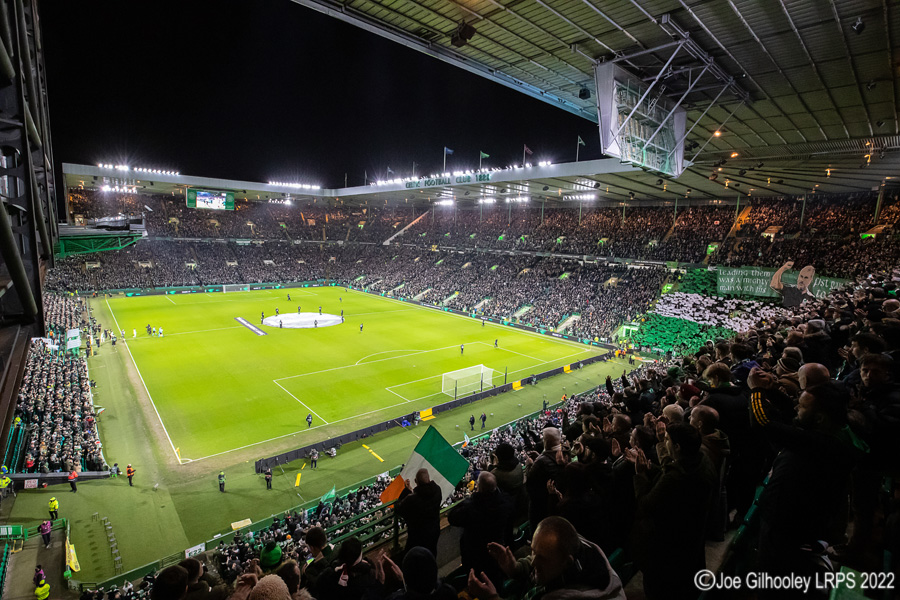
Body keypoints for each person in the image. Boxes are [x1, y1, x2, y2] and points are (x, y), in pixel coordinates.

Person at [629, 423, 717, 600]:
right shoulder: (702, 460)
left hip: (668, 552)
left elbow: (646, 505)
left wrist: (639, 475)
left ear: (677, 446)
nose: (664, 442)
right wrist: (650, 468)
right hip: (691, 540)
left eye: (667, 440)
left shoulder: (676, 478)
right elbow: (668, 475)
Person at [474, 516, 624, 600]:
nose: (533, 561)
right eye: (533, 551)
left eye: (543, 558)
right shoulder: (579, 548)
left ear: (567, 562)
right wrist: (515, 568)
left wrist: (492, 598)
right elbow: (541, 560)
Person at [447, 471, 513, 588]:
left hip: (475, 556)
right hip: (497, 552)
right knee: (496, 580)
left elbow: (452, 517)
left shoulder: (471, 508)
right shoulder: (505, 501)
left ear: (479, 487)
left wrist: (472, 498)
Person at [396, 468, 442, 556]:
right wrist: (412, 492)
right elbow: (424, 498)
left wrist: (406, 490)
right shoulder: (437, 490)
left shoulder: (412, 499)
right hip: (433, 533)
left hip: (417, 537)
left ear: (416, 481)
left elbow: (399, 508)